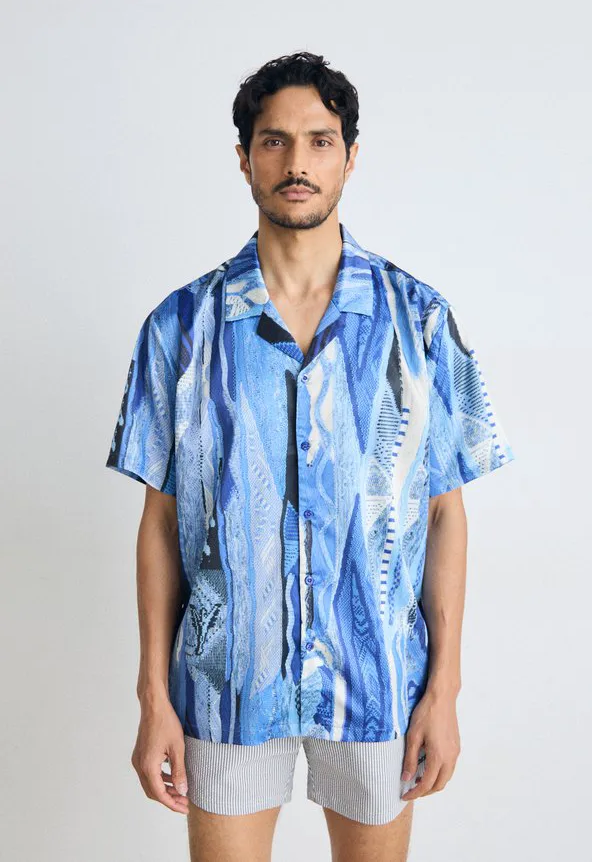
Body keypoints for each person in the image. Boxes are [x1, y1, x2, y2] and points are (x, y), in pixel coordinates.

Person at [105, 51, 516, 862]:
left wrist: (444, 690)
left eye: (320, 141)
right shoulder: (180, 329)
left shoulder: (420, 323)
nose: (297, 162)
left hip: (377, 686)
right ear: (244, 157)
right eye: (275, 141)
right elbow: (159, 522)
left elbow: (444, 513)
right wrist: (153, 695)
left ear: (350, 157)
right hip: (223, 688)